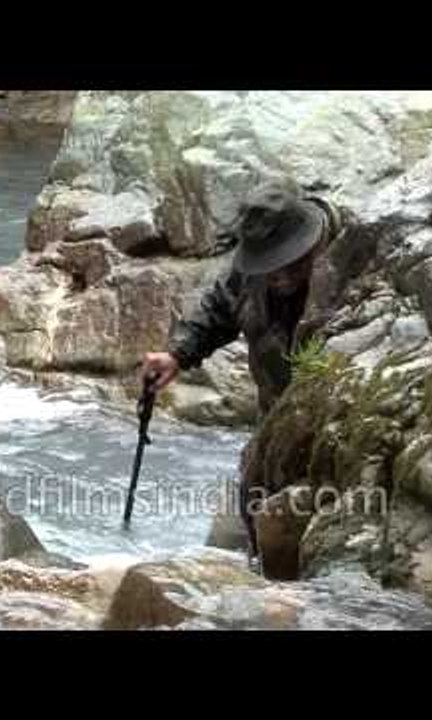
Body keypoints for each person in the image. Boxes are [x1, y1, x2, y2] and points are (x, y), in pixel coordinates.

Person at [139, 173, 351, 566]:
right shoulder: (252, 271)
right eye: (272, 268)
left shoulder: (354, 254)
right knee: (250, 530)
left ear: (310, 240)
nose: (282, 277)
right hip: (274, 421)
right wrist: (178, 355)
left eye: (291, 263)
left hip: (338, 433)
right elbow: (221, 306)